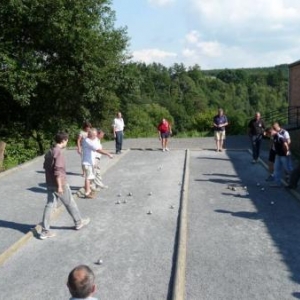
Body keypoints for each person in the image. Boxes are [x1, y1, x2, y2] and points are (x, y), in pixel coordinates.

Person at [40, 132, 90, 240]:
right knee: (70, 203)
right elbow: (58, 170)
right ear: (63, 140)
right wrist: (60, 186)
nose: (67, 142)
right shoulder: (58, 153)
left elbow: (45, 167)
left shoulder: (49, 151)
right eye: (67, 140)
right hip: (60, 183)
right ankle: (79, 222)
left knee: (49, 206)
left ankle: (44, 231)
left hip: (49, 183)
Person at [82, 128, 113, 198]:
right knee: (88, 177)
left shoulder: (88, 140)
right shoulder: (88, 141)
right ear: (91, 135)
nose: (95, 137)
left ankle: (88, 189)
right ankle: (87, 192)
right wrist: (108, 154)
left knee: (89, 177)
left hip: (89, 162)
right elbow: (98, 150)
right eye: (94, 135)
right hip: (88, 163)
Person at [270, 122, 293, 187]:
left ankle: (293, 182)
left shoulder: (284, 132)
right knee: (276, 168)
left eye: (274, 128)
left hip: (284, 154)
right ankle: (277, 183)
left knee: (288, 168)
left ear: (277, 127)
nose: (273, 129)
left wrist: (286, 148)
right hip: (278, 154)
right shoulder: (275, 135)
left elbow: (289, 141)